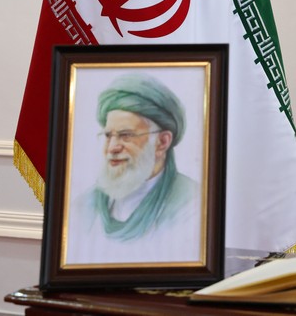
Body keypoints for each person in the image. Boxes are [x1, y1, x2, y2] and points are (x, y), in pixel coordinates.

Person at [65, 72, 201, 265]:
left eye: (126, 135)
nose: (112, 148)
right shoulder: (84, 206)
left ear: (162, 142)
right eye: (108, 136)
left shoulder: (191, 204)